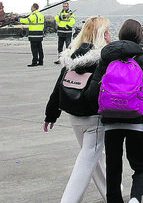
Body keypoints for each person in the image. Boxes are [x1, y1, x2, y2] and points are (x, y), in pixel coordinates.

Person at [44, 16, 111, 203]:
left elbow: (59, 86)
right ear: (102, 35)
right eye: (107, 32)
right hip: (94, 117)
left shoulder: (72, 57)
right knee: (88, 159)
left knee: (94, 157)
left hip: (74, 115)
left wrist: (51, 114)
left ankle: (113, 194)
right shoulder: (103, 58)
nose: (110, 35)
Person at [94, 19, 143, 203]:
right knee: (140, 166)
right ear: (139, 37)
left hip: (111, 120)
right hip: (137, 120)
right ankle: (135, 198)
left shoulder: (107, 59)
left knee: (113, 167)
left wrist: (102, 109)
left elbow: (94, 89)